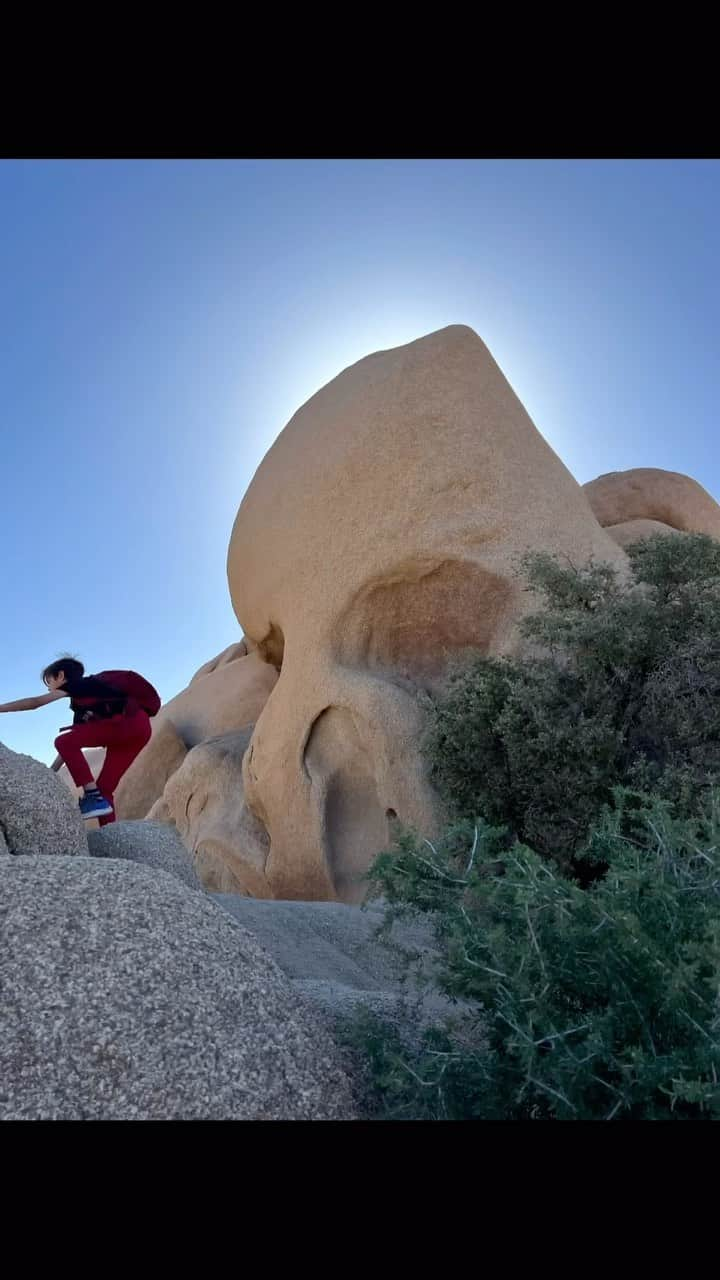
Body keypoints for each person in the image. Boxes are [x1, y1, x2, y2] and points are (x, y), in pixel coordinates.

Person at [0, 656, 153, 823]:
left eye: (48, 681)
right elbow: (71, 745)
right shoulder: (85, 700)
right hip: (140, 729)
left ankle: (92, 796)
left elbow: (35, 702)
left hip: (125, 725)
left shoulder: (77, 685)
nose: (49, 688)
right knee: (104, 789)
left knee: (63, 741)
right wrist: (51, 772)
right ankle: (110, 835)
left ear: (60, 675)